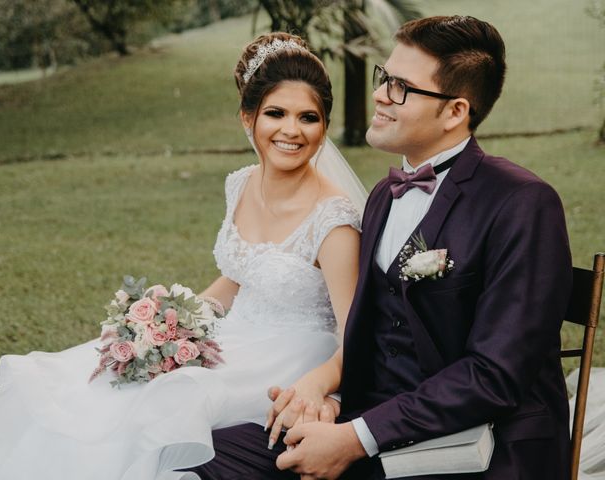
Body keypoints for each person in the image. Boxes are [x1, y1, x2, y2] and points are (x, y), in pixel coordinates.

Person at [186, 15, 574, 480]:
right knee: (191, 452)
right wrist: (327, 398)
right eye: (384, 78)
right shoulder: (382, 200)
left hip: (477, 450)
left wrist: (354, 437)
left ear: (455, 111)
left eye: (401, 88)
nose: (379, 95)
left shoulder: (521, 203)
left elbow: (493, 376)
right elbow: (372, 333)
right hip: (372, 428)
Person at [0, 32, 365, 480]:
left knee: (164, 401)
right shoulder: (240, 184)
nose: (291, 130)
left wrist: (321, 389)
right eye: (276, 113)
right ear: (247, 118)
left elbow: (357, 333)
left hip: (289, 357)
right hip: (233, 335)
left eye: (307, 117)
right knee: (100, 380)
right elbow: (238, 277)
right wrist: (171, 321)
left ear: (323, 126)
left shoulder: (334, 221)